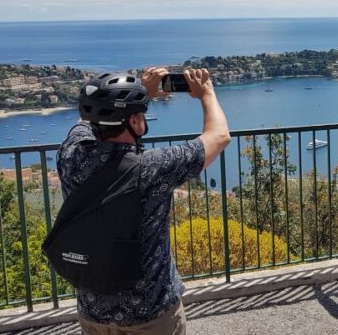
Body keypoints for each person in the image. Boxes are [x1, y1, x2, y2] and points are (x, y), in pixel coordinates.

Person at [56, 67, 230, 334]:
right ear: (136, 122)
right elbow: (219, 136)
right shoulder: (153, 168)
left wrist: (138, 95)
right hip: (150, 312)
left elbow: (83, 122)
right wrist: (206, 93)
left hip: (93, 310)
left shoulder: (70, 156)